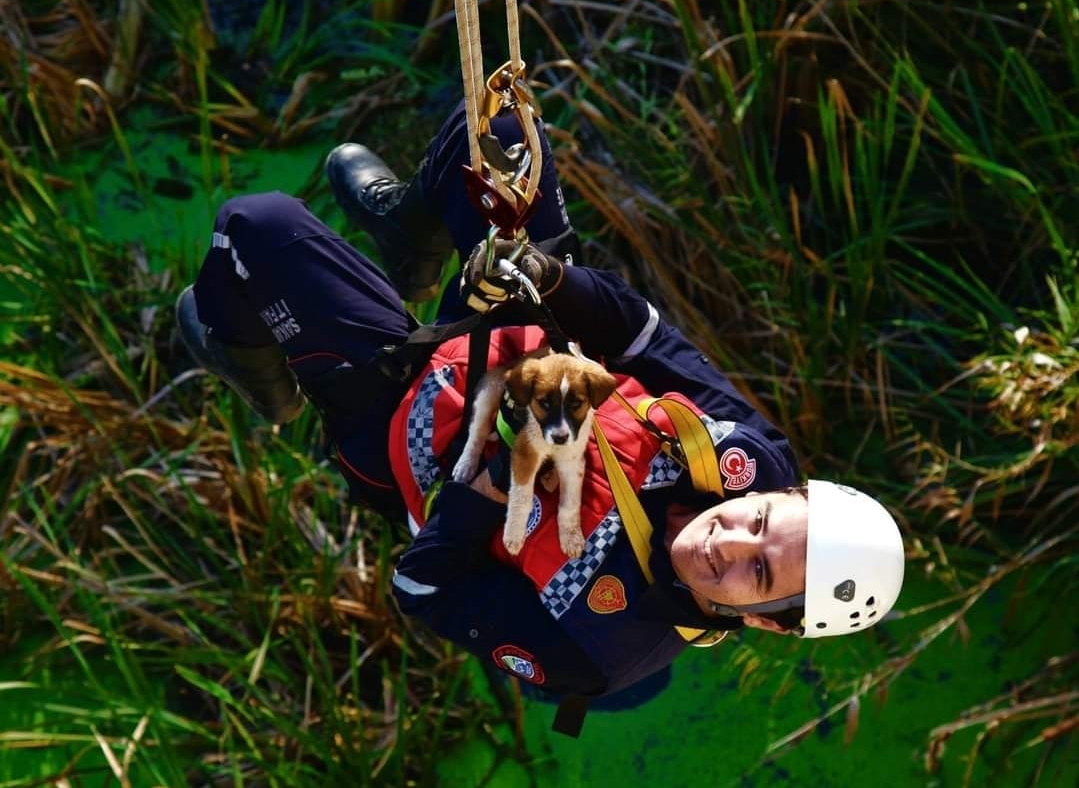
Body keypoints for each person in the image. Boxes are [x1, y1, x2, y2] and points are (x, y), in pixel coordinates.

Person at [175, 101, 905, 733]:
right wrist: (547, 277)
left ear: (764, 620)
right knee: (501, 131)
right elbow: (641, 334)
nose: (731, 540)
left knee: (250, 225)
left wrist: (477, 500)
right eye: (761, 521)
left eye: (758, 572)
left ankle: (257, 370)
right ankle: (409, 233)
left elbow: (422, 591)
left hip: (400, 421)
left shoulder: (601, 649)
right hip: (505, 325)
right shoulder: (748, 457)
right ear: (784, 493)